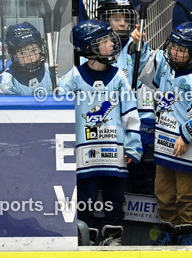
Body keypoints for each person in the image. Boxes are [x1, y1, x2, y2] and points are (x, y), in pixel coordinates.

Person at [57, 20, 142, 246]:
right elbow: (57, 113)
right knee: (85, 200)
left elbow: (130, 114)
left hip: (115, 155)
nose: (111, 44)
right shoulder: (71, 79)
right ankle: (88, 236)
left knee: (115, 199)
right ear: (88, 48)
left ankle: (114, 237)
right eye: (104, 41)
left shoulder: (119, 78)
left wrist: (133, 146)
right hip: (84, 158)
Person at [143, 23, 192, 246]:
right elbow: (146, 65)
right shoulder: (168, 66)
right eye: (173, 47)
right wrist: (137, 43)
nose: (175, 52)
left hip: (187, 148)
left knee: (186, 195)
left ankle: (190, 231)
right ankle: (169, 228)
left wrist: (185, 137)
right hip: (163, 145)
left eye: (182, 50)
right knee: (163, 193)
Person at [96, 0, 155, 195]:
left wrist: (139, 47)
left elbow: (150, 74)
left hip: (136, 122)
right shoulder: (96, 46)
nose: (122, 23)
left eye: (126, 18)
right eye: (116, 18)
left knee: (138, 174)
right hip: (107, 123)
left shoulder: (136, 45)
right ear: (104, 19)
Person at [0, 23, 56, 95]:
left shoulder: (49, 71)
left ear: (40, 49)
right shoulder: (6, 82)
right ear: (14, 55)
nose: (30, 57)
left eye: (33, 51)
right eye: (22, 53)